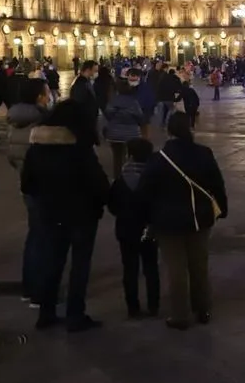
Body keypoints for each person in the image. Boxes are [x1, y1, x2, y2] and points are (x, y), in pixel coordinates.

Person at [21, 99, 110, 332]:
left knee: (51, 262)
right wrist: (104, 200)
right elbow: (97, 182)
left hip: (49, 213)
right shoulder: (79, 148)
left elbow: (26, 183)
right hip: (82, 215)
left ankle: (46, 313)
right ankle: (75, 314)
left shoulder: (37, 146)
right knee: (80, 266)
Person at [138, 112, 228, 330]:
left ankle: (179, 315)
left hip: (168, 222)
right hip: (199, 218)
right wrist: (221, 209)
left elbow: (144, 191)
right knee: (199, 264)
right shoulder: (203, 153)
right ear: (190, 128)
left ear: (169, 131)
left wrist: (147, 218)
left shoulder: (159, 158)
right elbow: (217, 184)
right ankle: (203, 308)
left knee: (175, 267)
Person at [6, 78, 51, 306]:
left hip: (26, 182)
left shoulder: (15, 121)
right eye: (46, 92)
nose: (49, 95)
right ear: (39, 97)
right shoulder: (42, 120)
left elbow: (12, 156)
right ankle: (39, 293)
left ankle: (29, 287)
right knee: (45, 237)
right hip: (44, 184)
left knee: (35, 235)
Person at [108, 138, 160, 318]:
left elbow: (112, 205)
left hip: (126, 229)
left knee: (129, 269)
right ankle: (154, 305)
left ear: (130, 154)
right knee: (151, 267)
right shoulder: (154, 178)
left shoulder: (121, 180)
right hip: (149, 229)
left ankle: (132, 307)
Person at [104, 78, 145, 180]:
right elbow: (140, 117)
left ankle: (117, 178)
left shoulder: (113, 101)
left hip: (114, 134)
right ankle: (129, 178)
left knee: (117, 157)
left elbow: (108, 114)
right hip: (131, 134)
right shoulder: (134, 102)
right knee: (131, 157)